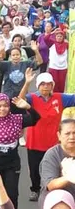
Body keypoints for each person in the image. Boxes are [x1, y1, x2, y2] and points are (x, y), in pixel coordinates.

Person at [19, 70, 75, 201]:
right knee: (34, 168)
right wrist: (27, 83)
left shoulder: (60, 98)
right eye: (43, 84)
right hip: (35, 141)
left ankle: (55, 188)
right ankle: (35, 189)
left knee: (55, 167)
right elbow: (19, 100)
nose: (46, 86)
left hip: (53, 143)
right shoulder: (32, 98)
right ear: (38, 86)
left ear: (52, 85)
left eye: (49, 84)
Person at [39, 119, 75, 209]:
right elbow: (50, 184)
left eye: (74, 133)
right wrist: (69, 177)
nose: (72, 137)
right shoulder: (52, 155)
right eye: (67, 133)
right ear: (59, 135)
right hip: (56, 206)